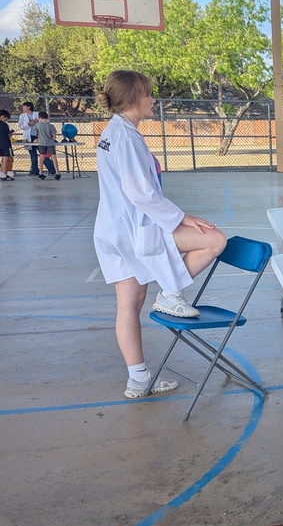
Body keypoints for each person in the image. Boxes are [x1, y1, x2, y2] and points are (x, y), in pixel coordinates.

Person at [93, 69, 227, 399]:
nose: (153, 99)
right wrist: (182, 218)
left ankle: (138, 378)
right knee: (215, 239)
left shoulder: (114, 132)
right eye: (148, 93)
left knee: (129, 304)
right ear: (134, 98)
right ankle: (170, 293)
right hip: (132, 229)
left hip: (113, 230)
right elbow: (141, 193)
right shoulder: (125, 137)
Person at [32, 111, 60, 180]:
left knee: (41, 158)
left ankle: (41, 173)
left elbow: (36, 133)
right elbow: (54, 136)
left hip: (42, 143)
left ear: (39, 118)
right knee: (54, 158)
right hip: (50, 143)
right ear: (47, 117)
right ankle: (57, 173)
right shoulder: (51, 126)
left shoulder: (37, 125)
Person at [18, 101, 40, 175]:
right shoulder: (22, 116)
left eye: (24, 107)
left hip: (37, 136)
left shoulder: (37, 114)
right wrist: (29, 123)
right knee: (33, 155)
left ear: (29, 107)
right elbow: (21, 126)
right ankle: (35, 170)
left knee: (43, 153)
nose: (23, 108)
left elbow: (44, 121)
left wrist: (37, 121)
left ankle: (51, 169)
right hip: (28, 136)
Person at [0, 110, 15, 180]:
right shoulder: (4, 125)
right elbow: (8, 135)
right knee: (6, 158)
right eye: (6, 118)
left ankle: (3, 173)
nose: (6, 120)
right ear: (2, 117)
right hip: (6, 143)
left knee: (3, 158)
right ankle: (4, 174)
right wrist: (11, 132)